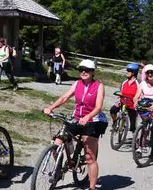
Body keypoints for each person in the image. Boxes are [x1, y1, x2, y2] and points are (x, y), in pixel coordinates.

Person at [43, 59, 107, 190]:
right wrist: (51, 107)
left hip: (93, 121)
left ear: (92, 72)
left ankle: (92, 187)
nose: (83, 72)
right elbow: (64, 98)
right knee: (56, 143)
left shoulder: (99, 86)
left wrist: (88, 117)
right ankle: (59, 167)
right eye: (81, 70)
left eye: (87, 70)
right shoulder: (77, 83)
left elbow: (98, 107)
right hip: (76, 118)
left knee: (90, 157)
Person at [110, 63, 139, 133]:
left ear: (134, 72)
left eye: (129, 70)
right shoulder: (124, 82)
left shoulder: (138, 84)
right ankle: (114, 122)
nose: (127, 72)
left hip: (132, 106)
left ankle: (134, 140)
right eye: (127, 70)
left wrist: (137, 102)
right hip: (123, 103)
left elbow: (140, 95)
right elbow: (121, 92)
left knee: (133, 127)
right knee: (112, 110)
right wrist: (118, 100)